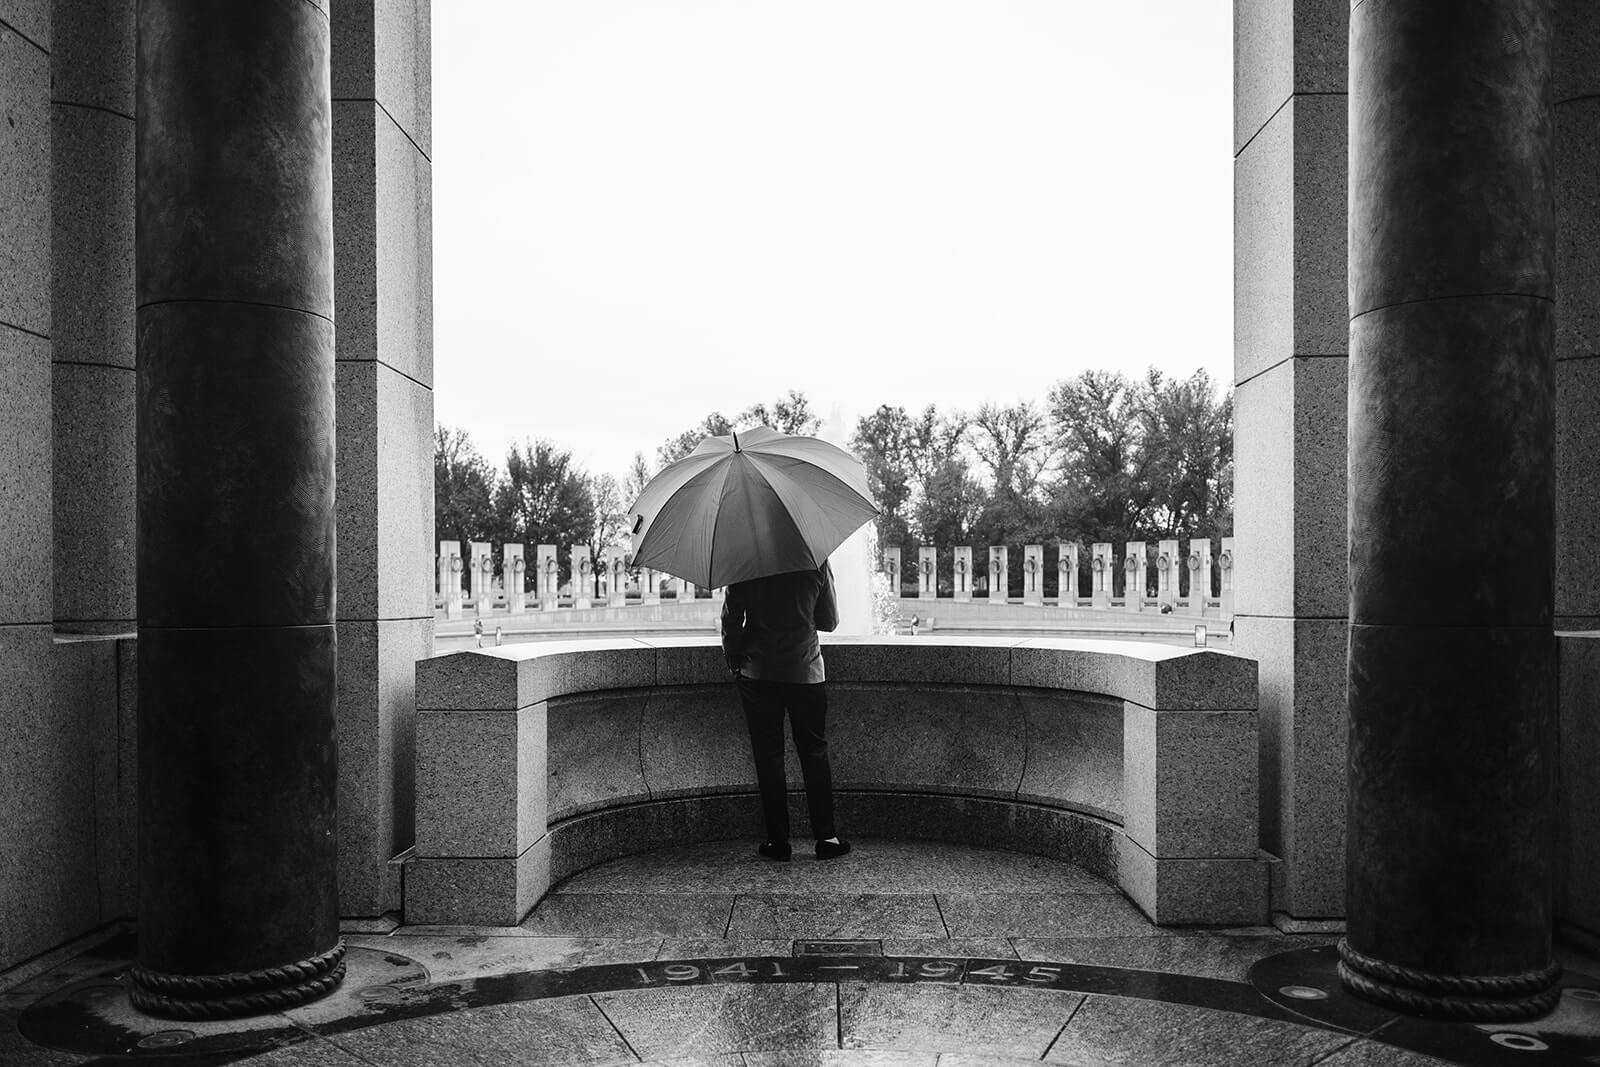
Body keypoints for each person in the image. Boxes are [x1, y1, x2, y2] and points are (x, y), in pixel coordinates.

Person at [721, 560, 850, 862]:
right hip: (805, 670)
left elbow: (730, 619)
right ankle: (827, 838)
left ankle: (778, 841)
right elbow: (829, 621)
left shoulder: (744, 560)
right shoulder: (814, 558)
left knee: (768, 756)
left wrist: (733, 655)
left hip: (758, 670)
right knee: (814, 752)